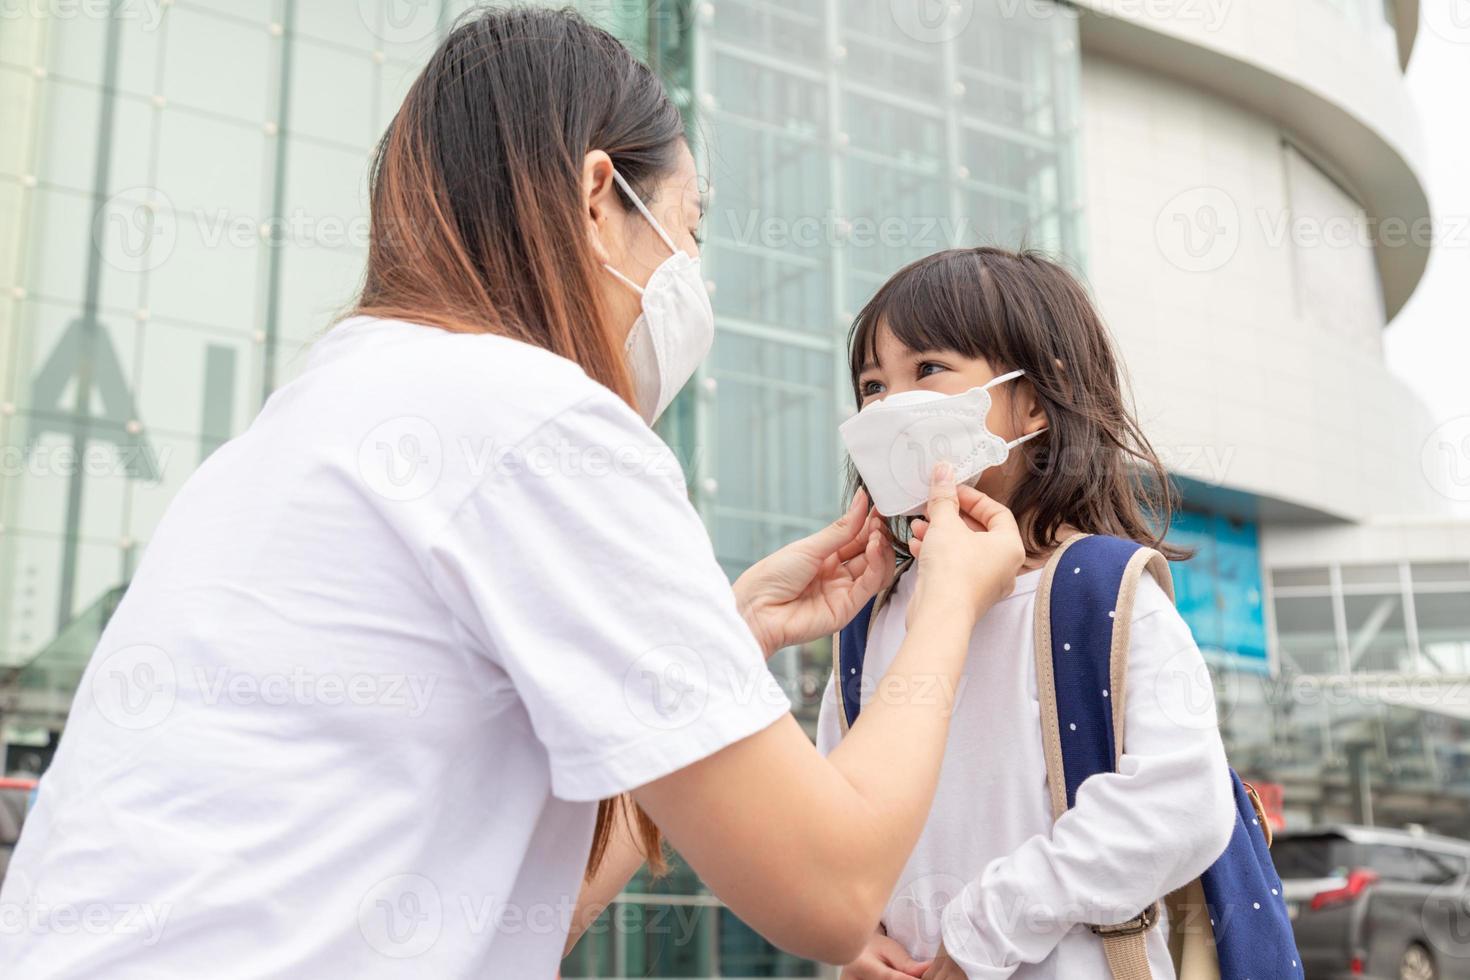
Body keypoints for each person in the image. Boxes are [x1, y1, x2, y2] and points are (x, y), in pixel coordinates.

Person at [0, 10, 1026, 978]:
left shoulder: (310, 425)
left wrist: (736, 630)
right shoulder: (534, 421)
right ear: (597, 196)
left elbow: (521, 909)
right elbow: (834, 885)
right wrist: (947, 595)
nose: (695, 273)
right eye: (689, 225)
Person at [821, 248, 1236, 980]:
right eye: (871, 384)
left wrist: (984, 929)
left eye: (926, 371)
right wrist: (848, 932)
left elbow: (1182, 804)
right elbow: (830, 811)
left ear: (1036, 401)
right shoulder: (870, 618)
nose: (888, 406)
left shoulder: (1099, 593)